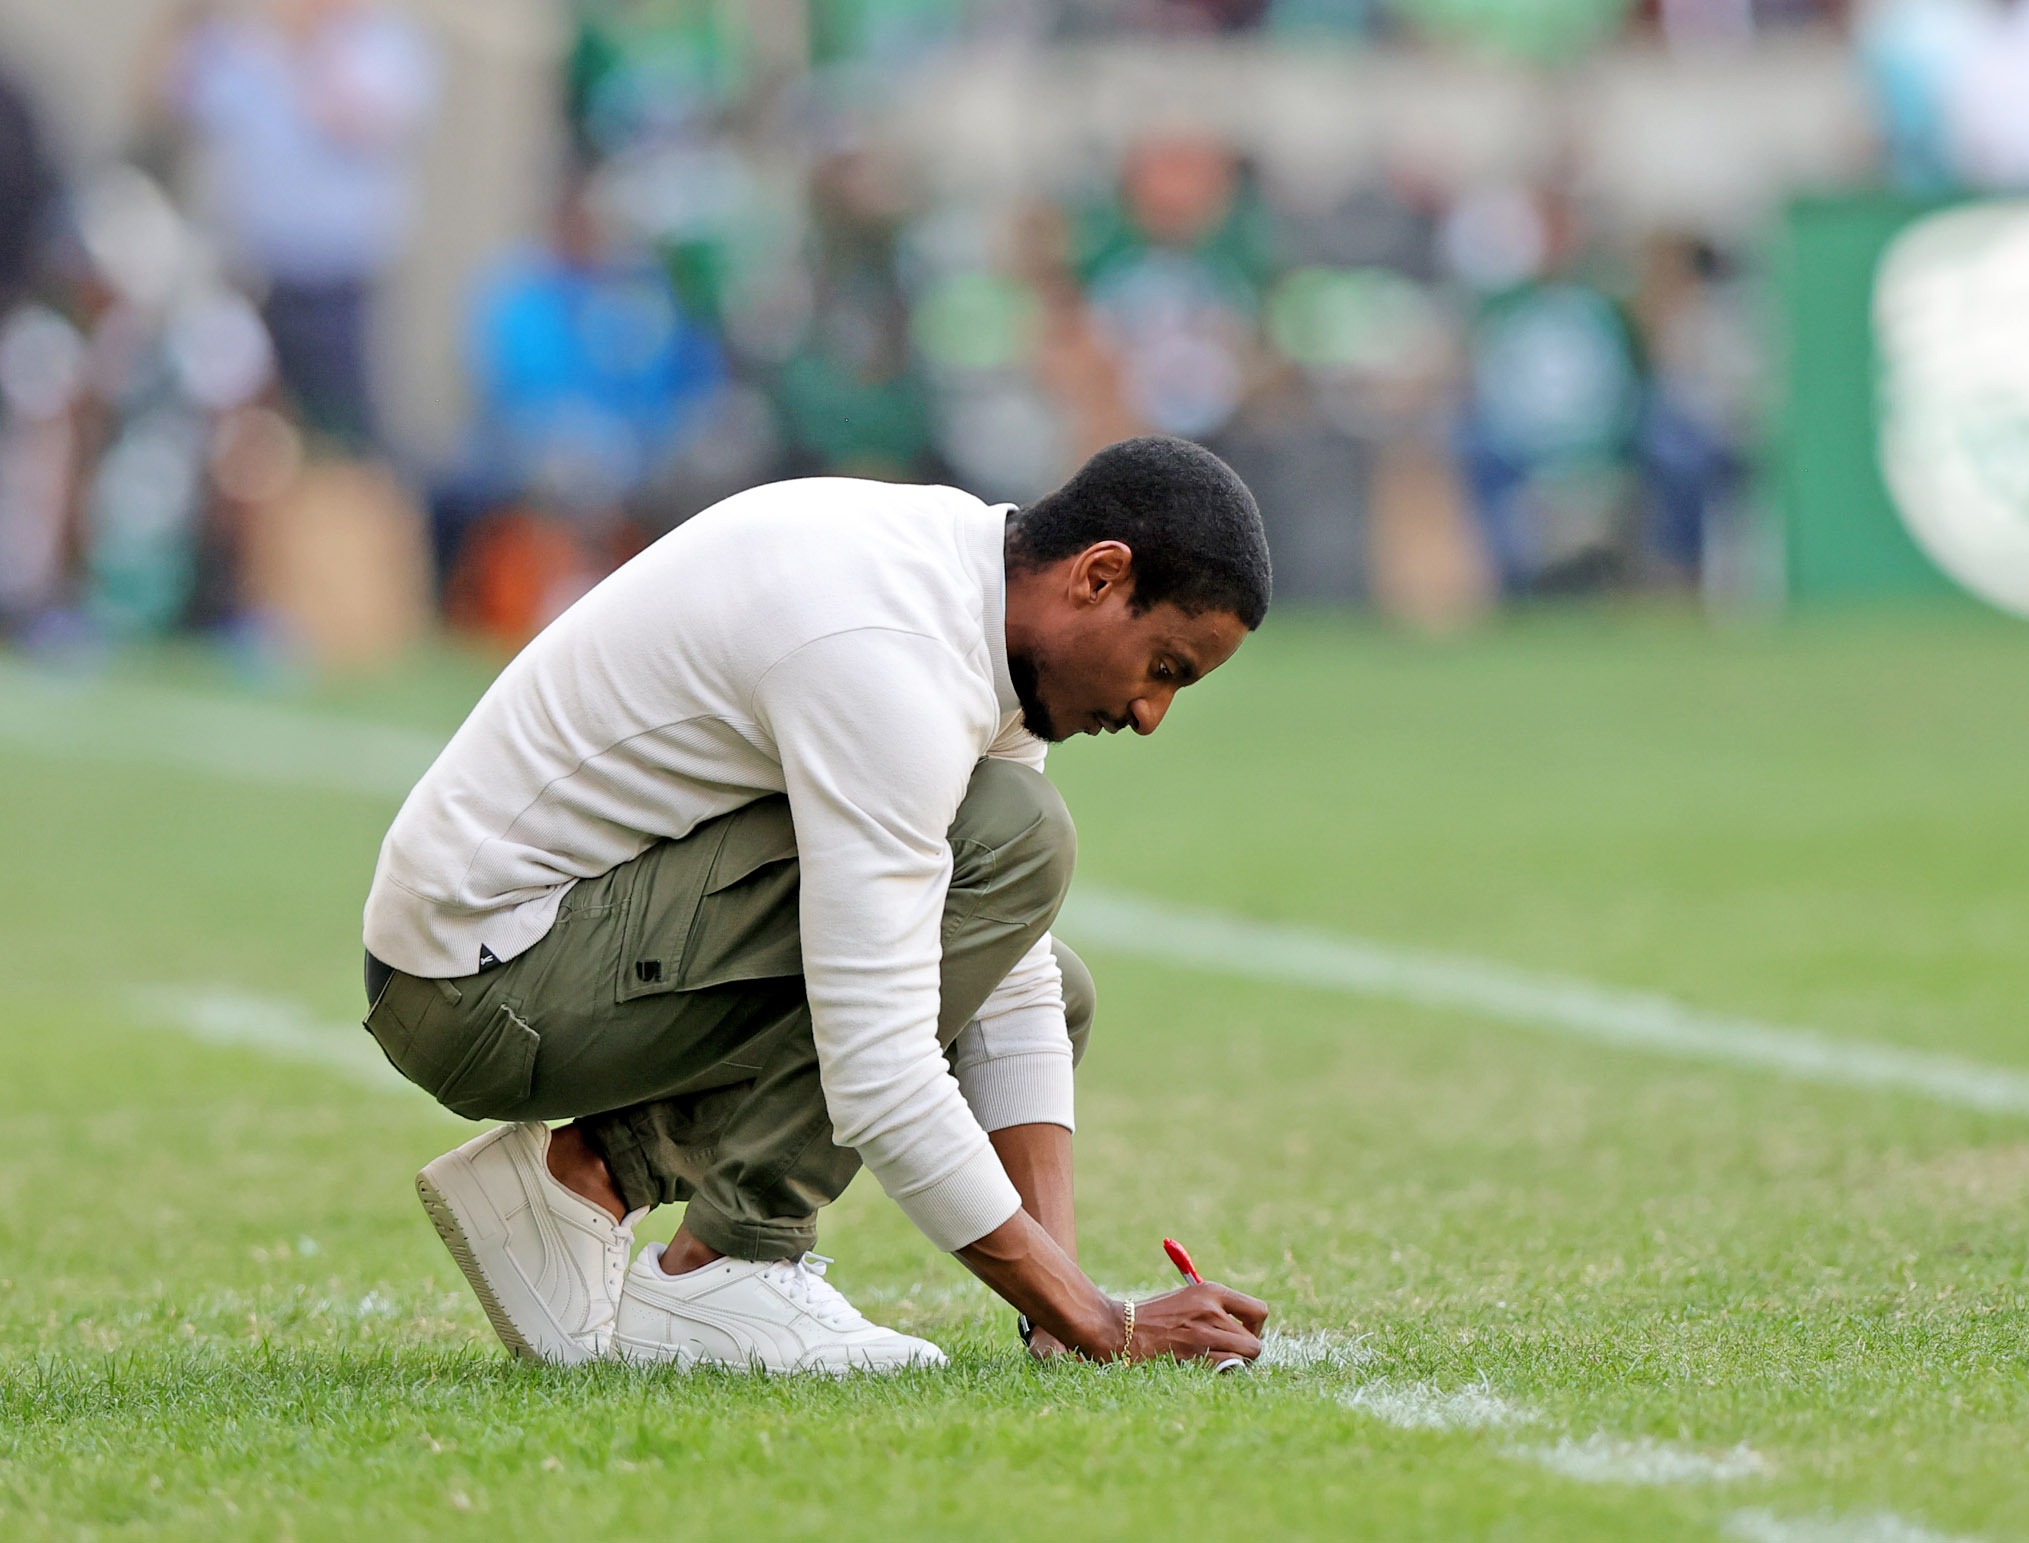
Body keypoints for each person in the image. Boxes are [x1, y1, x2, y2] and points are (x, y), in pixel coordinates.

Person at [360, 436, 1273, 1373]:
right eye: (1164, 665)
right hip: (485, 982)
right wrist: (1102, 1320)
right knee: (1018, 837)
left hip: (507, 952)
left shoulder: (967, 591)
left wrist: (1062, 1314)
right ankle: (728, 1265)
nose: (1150, 713)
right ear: (1098, 575)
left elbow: (1009, 975)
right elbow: (878, 1065)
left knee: (1035, 948)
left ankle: (584, 1180)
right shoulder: (893, 652)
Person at [168, 0, 437, 450]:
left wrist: (308, 44)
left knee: (338, 426)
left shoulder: (386, 44)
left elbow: (353, 122)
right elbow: (181, 101)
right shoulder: (250, 37)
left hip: (335, 280)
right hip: (248, 273)